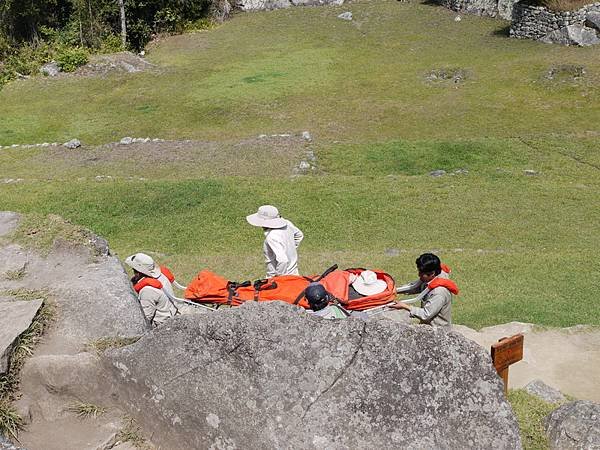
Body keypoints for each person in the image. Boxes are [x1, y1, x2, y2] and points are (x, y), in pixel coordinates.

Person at [389, 253, 459, 327]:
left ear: (432, 273)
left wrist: (405, 306)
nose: (419, 275)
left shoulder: (439, 293)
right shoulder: (430, 277)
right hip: (427, 325)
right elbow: (417, 287)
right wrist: (394, 290)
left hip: (437, 330)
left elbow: (426, 314)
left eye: (422, 274)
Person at [246, 205, 304, 277]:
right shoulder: (287, 223)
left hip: (281, 281)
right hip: (295, 275)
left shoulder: (272, 236)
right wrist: (290, 249)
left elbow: (283, 260)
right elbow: (299, 235)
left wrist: (278, 279)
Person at [125, 252, 178, 327]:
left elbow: (146, 318)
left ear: (138, 273)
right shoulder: (161, 276)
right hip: (171, 312)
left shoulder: (147, 291)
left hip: (161, 324)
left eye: (134, 270)